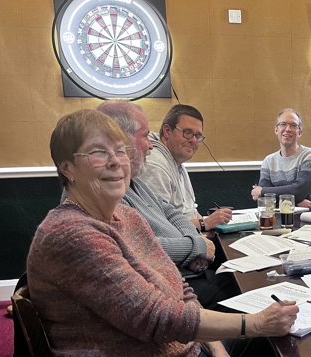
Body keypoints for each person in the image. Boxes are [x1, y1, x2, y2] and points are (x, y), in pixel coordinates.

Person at [28, 109, 305, 357]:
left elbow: (179, 289)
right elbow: (158, 317)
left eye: (120, 150)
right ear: (67, 168)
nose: (117, 162)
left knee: (283, 353)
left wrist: (217, 349)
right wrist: (254, 324)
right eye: (99, 153)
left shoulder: (125, 215)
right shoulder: (72, 234)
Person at [93, 100, 235, 309]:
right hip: (170, 286)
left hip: (184, 275)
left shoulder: (133, 182)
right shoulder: (105, 193)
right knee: (247, 298)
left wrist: (196, 242)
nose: (151, 145)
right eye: (145, 136)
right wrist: (196, 246)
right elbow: (139, 248)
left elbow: (172, 213)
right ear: (119, 141)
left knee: (240, 283)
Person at [140, 104, 232, 232]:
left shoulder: (176, 161)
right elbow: (158, 227)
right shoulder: (155, 166)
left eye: (198, 136)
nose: (194, 140)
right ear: (167, 131)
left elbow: (190, 212)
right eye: (187, 133)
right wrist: (206, 223)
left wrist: (208, 224)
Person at [251, 108, 311, 208]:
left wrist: (262, 190)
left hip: (305, 219)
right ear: (276, 130)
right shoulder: (268, 161)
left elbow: (298, 190)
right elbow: (266, 200)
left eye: (293, 125)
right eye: (283, 124)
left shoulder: (310, 155)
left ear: (300, 132)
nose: (287, 129)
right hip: (276, 219)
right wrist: (295, 202)